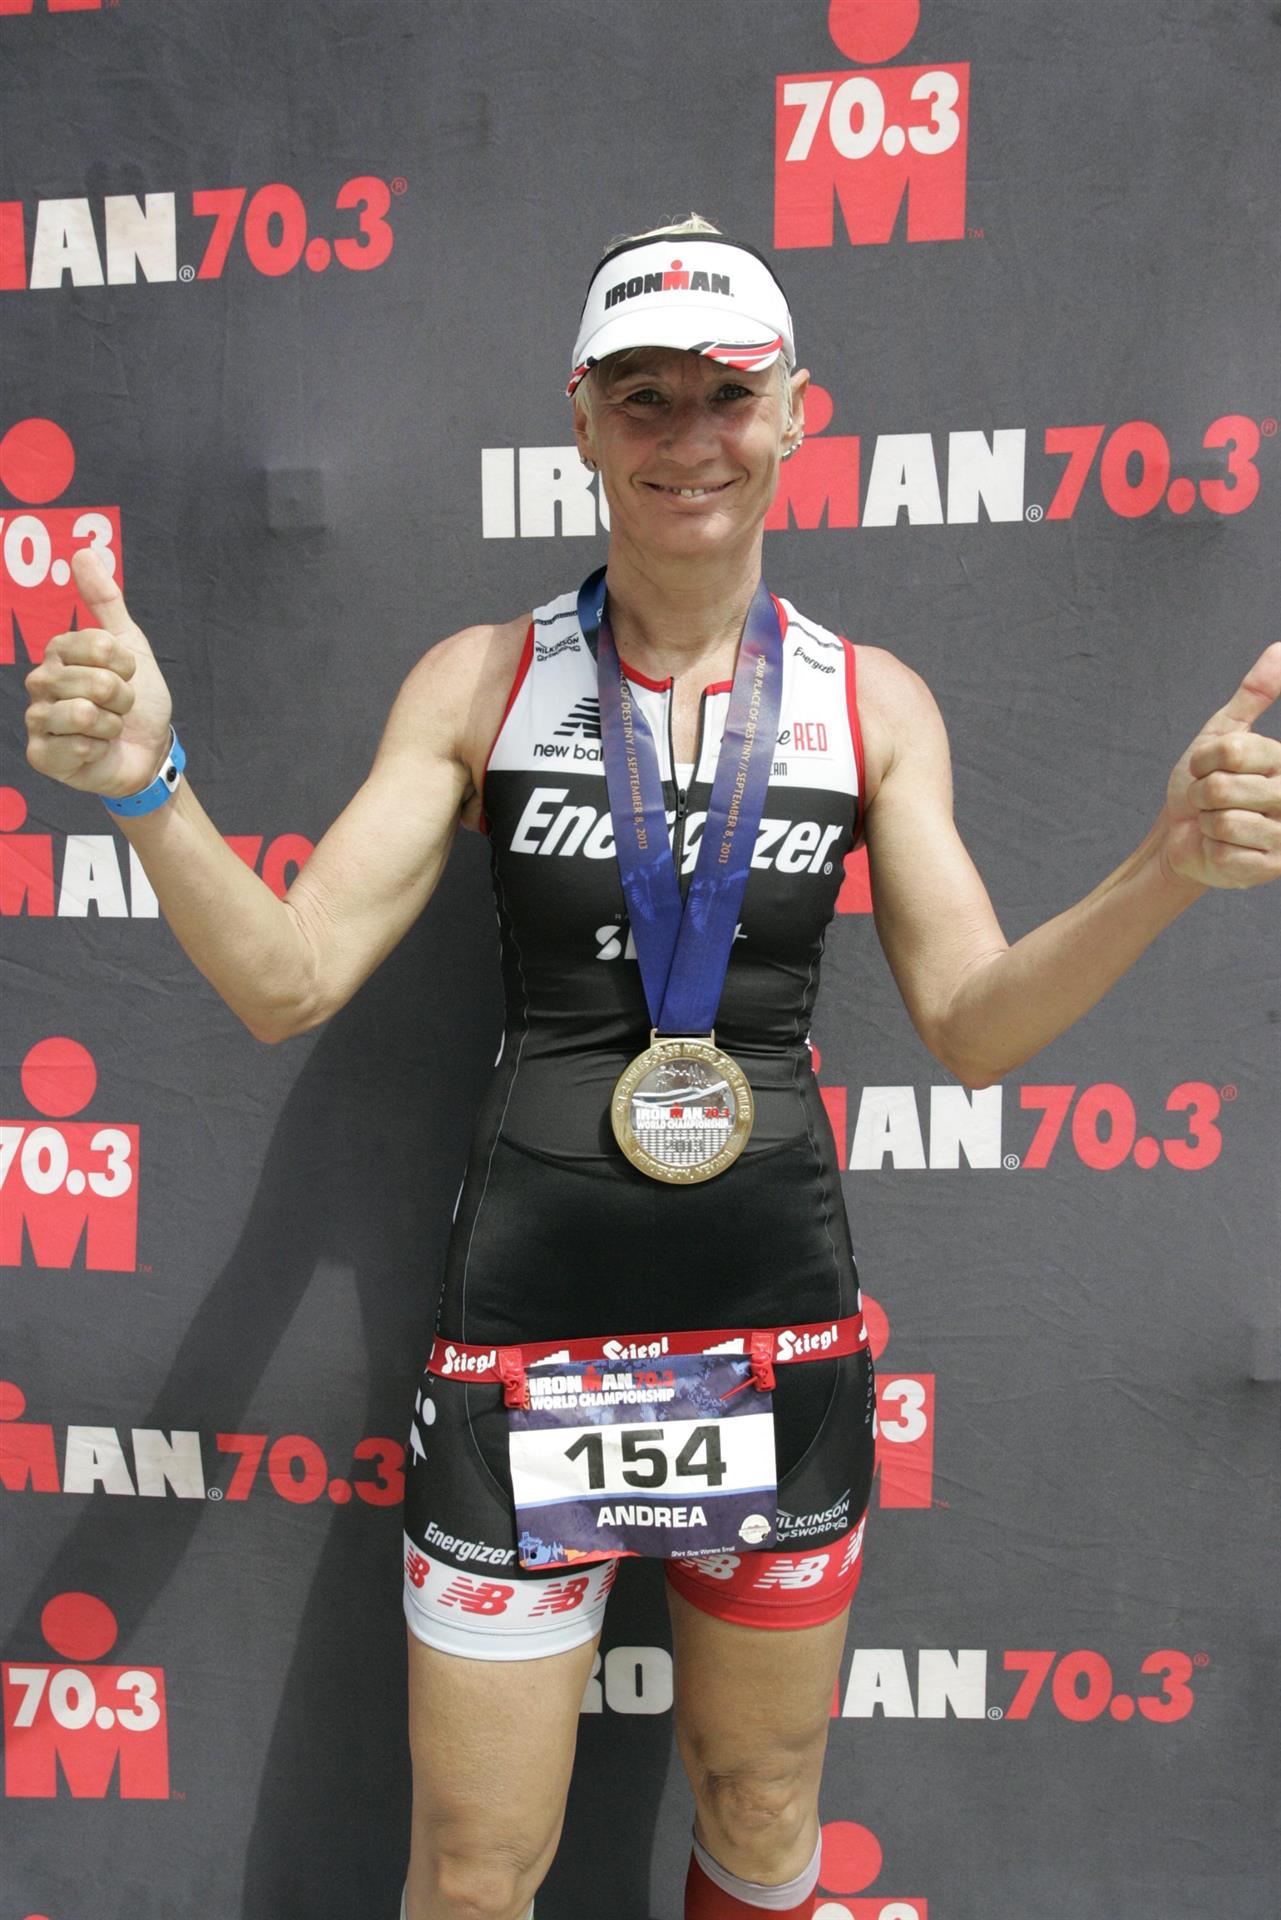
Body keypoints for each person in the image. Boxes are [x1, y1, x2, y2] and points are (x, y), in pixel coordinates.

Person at [22, 214, 1281, 1920]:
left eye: (726, 393)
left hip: (773, 1341)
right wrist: (150, 791)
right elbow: (287, 979)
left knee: (759, 1813)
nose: (689, 437)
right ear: (581, 420)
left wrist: (1163, 868)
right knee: (476, 1869)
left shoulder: (868, 702)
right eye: (643, 397)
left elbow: (974, 1025)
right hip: (525, 1353)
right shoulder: (481, 680)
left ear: (797, 413)